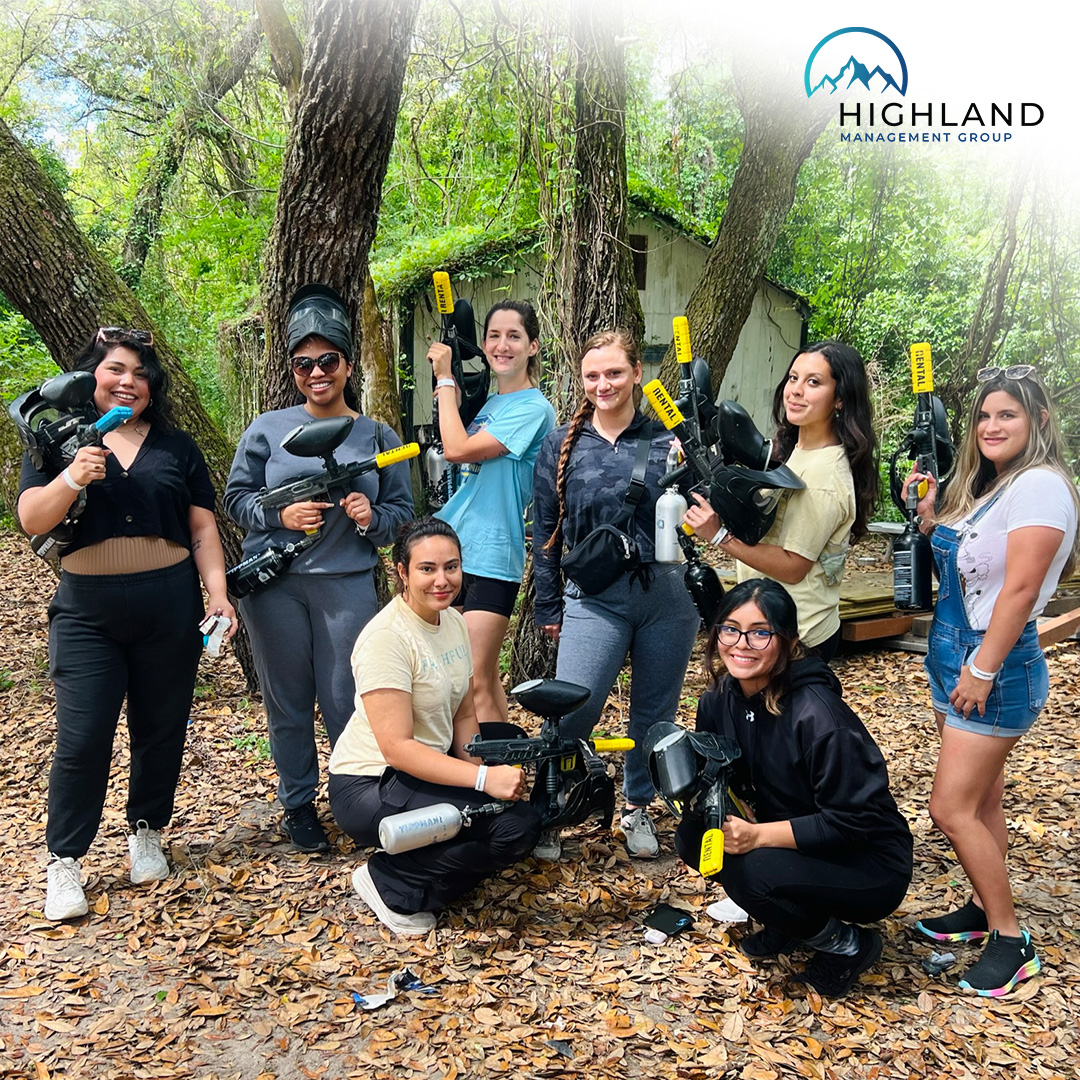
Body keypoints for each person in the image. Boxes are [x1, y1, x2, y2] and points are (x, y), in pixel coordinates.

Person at [17, 327, 237, 922]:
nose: (128, 382)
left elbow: (201, 527)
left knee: (161, 727)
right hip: (87, 611)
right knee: (83, 737)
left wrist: (217, 595)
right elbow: (31, 518)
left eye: (140, 374)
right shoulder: (58, 441)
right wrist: (72, 476)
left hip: (169, 603)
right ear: (90, 377)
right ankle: (64, 861)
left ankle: (147, 831)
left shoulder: (176, 446)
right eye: (116, 369)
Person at [905, 364, 1078, 996]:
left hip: (992, 664)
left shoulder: (1041, 486)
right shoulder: (999, 484)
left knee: (949, 808)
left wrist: (982, 670)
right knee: (982, 802)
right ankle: (982, 911)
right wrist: (928, 515)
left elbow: (1022, 589)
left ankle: (1011, 940)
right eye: (983, 415)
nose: (991, 425)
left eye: (1008, 414)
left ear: (1040, 421)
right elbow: (974, 563)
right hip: (954, 652)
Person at [225, 284, 414, 853]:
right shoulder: (267, 429)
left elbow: (403, 515)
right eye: (304, 364)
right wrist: (279, 514)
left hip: (346, 584)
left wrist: (370, 518)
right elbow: (235, 499)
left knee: (347, 698)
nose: (316, 373)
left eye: (328, 360)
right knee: (286, 698)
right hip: (274, 586)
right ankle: (298, 804)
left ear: (348, 365)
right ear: (292, 371)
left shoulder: (378, 435)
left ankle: (354, 796)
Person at [674, 578, 913, 997]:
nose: (741, 644)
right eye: (730, 629)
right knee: (694, 836)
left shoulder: (819, 717)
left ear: (788, 641)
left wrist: (758, 836)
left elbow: (854, 822)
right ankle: (789, 920)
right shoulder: (718, 699)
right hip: (793, 834)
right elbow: (719, 773)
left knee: (752, 873)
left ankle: (847, 945)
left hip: (868, 860)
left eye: (760, 633)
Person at [531, 330, 700, 860]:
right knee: (572, 710)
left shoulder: (667, 438)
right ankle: (552, 806)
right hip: (594, 595)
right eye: (593, 375)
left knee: (656, 713)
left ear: (637, 375)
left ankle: (637, 806)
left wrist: (697, 473)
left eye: (614, 373)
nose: (603, 384)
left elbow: (702, 507)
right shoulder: (561, 444)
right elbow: (545, 530)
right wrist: (547, 602)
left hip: (666, 595)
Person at [328, 518, 542, 935]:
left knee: (512, 798)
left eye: (451, 567)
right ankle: (389, 881)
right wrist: (483, 780)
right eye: (427, 568)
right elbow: (397, 748)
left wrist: (479, 776)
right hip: (371, 783)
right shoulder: (386, 639)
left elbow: (463, 714)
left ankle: (425, 870)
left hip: (423, 767)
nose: (442, 580)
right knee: (514, 828)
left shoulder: (454, 622)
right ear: (403, 572)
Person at [684, 341, 877, 661]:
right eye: (793, 378)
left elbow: (793, 567)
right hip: (772, 624)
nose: (796, 390)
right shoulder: (799, 451)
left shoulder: (824, 476)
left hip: (797, 638)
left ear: (840, 398)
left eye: (813, 382)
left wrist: (719, 536)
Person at [426, 300, 556, 726]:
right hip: (457, 550)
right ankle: (494, 759)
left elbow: (457, 449)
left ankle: (492, 764)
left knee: (475, 679)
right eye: (494, 336)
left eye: (514, 336)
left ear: (532, 346)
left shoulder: (533, 409)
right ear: (482, 345)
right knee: (469, 678)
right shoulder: (491, 405)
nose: (502, 345)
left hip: (494, 554)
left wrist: (445, 379)